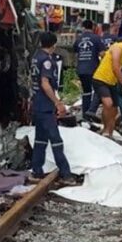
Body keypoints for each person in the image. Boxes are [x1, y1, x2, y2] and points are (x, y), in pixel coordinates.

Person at [29, 32, 78, 185]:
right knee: (56, 140)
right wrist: (58, 102)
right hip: (45, 105)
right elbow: (45, 83)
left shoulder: (35, 57)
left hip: (36, 103)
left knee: (40, 140)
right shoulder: (47, 61)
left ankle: (37, 171)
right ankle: (66, 174)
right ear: (54, 44)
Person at [92, 34, 122, 138]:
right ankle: (105, 130)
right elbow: (116, 67)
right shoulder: (118, 47)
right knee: (108, 104)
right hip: (101, 79)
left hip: (112, 82)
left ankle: (109, 132)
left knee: (114, 109)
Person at [74, 20, 105, 116]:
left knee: (86, 91)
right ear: (93, 27)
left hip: (81, 69)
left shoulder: (78, 39)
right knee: (98, 89)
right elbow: (102, 53)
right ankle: (91, 111)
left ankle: (85, 112)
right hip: (93, 68)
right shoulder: (96, 38)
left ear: (83, 27)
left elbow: (75, 53)